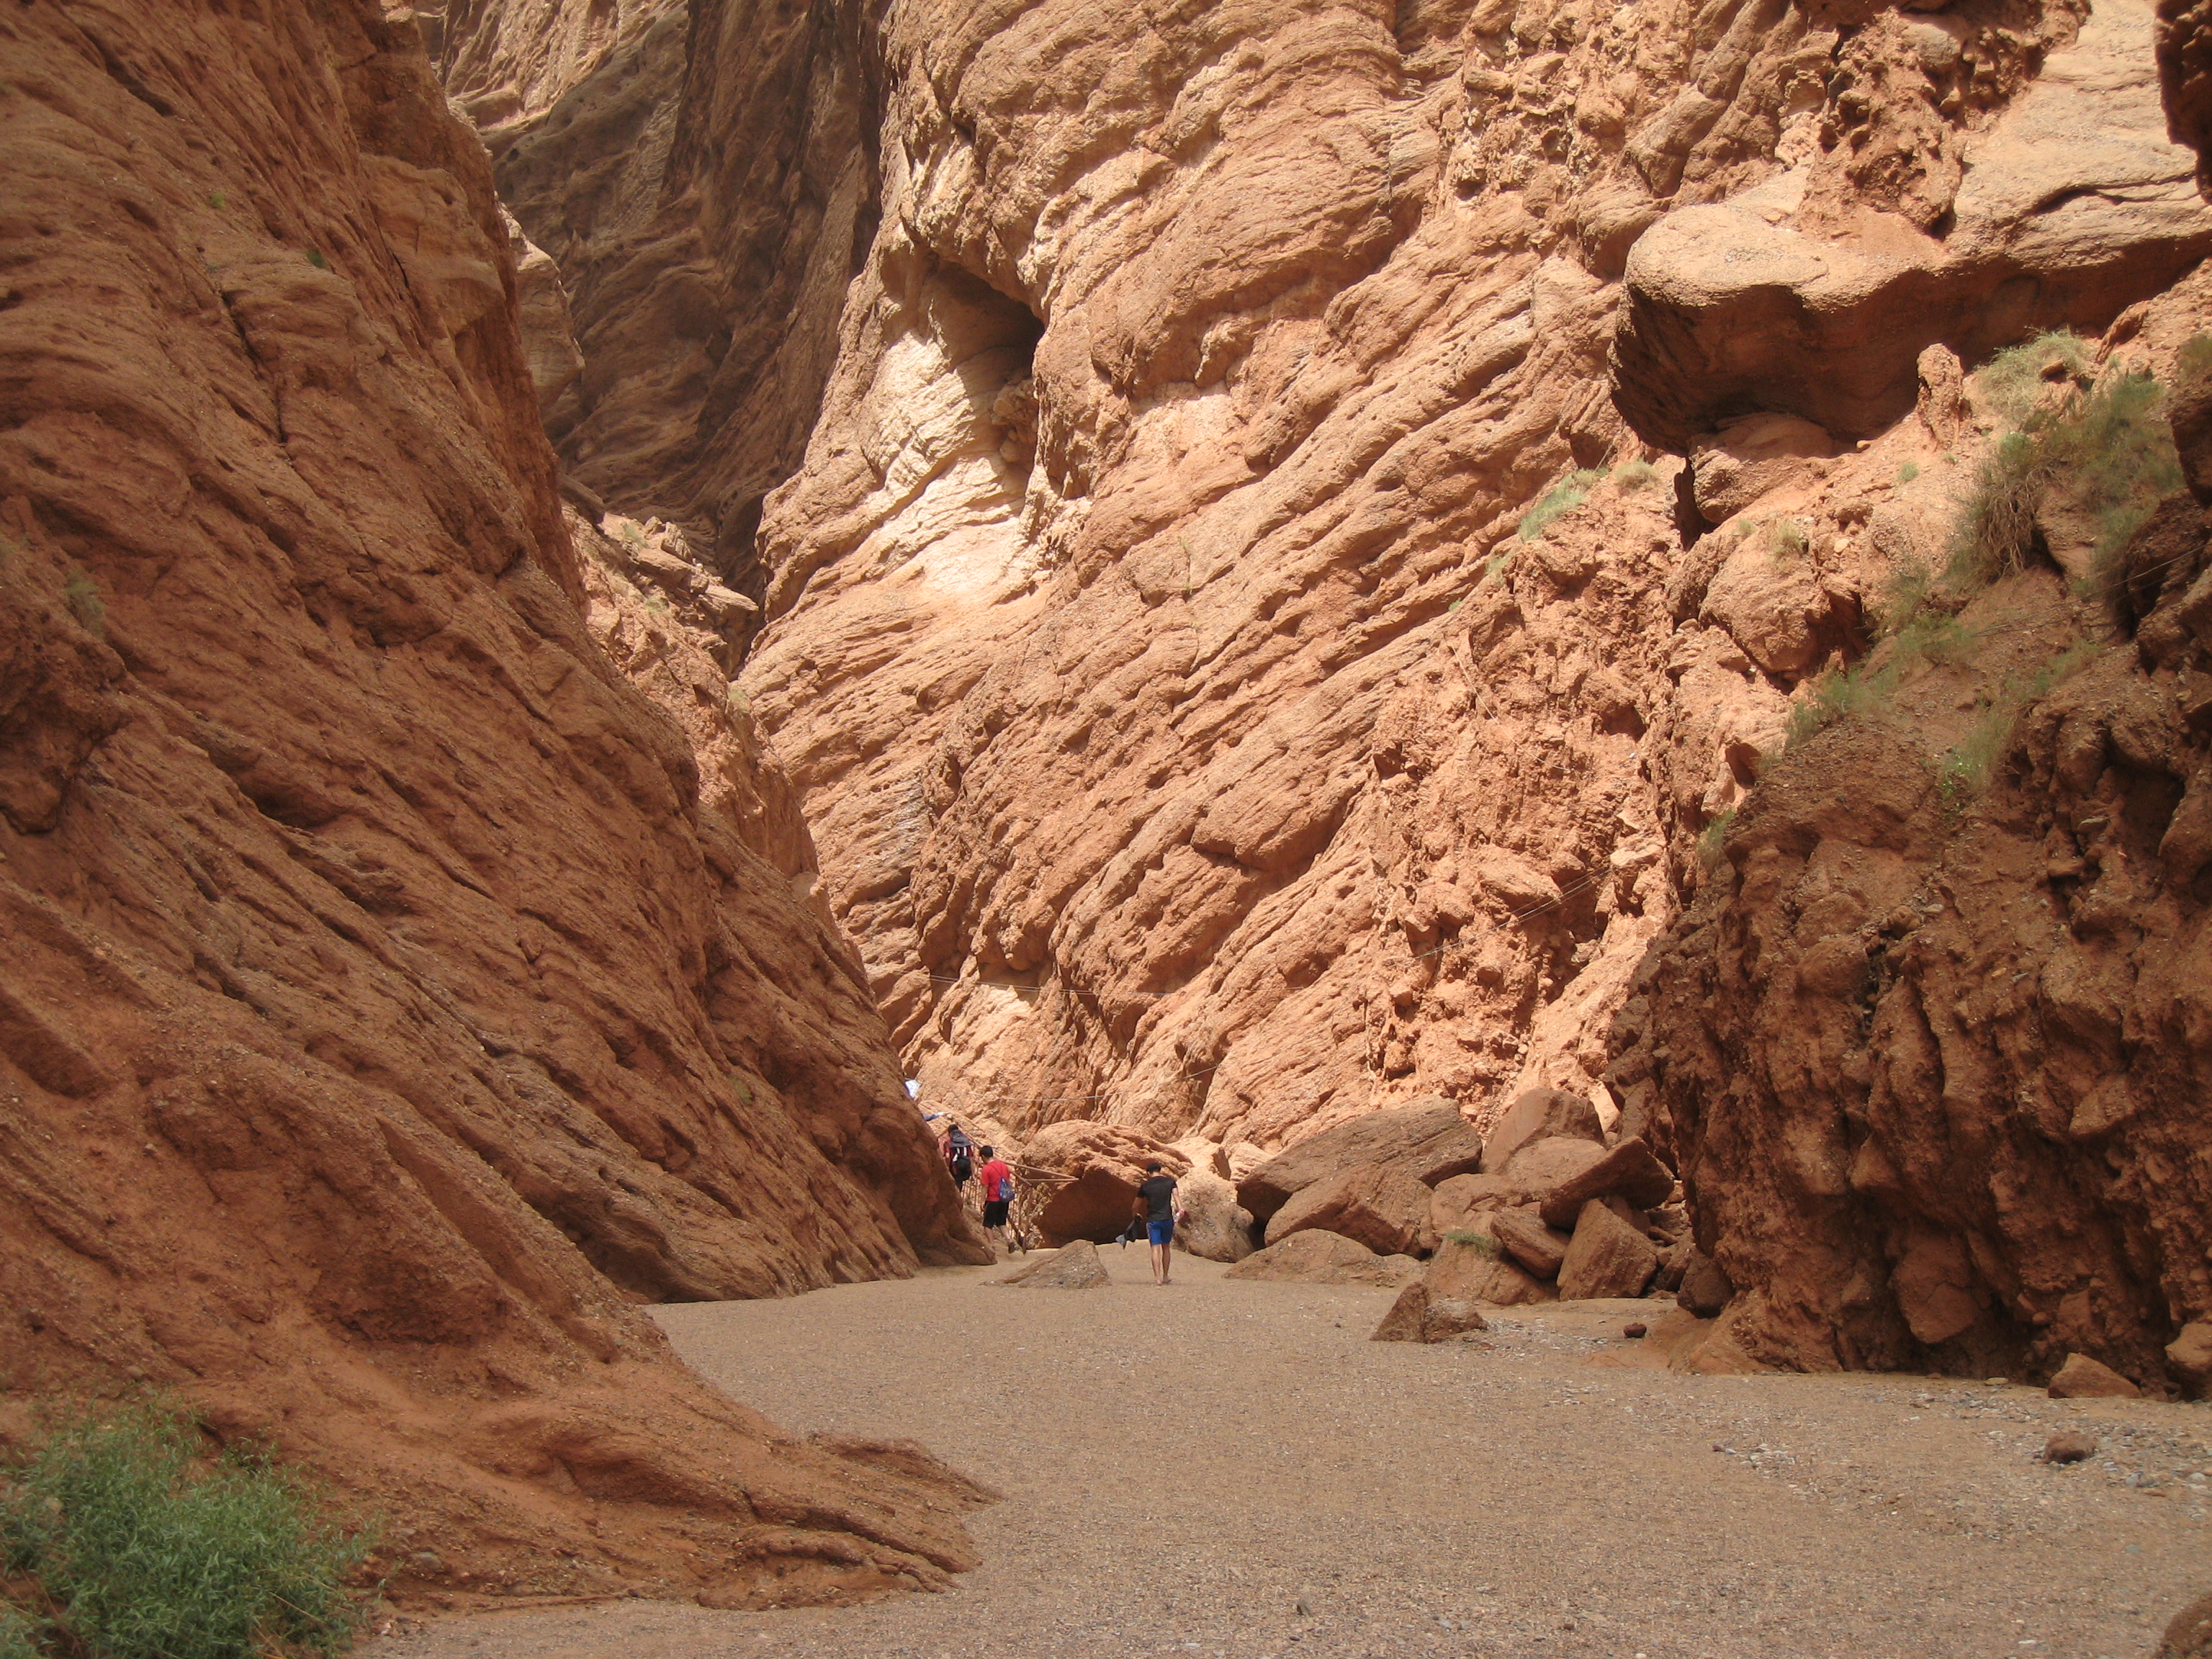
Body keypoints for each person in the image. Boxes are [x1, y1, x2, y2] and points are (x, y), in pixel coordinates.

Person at [1131, 1160, 1184, 1286]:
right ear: (1160, 1171)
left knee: (1155, 1248)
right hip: (1167, 1219)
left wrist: (1135, 1215)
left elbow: (1135, 1206)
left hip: (1153, 1220)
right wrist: (1180, 1209)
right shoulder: (1170, 1182)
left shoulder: (1145, 1186)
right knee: (1166, 1247)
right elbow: (1176, 1196)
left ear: (1148, 1173)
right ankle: (1166, 1276)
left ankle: (1158, 1279)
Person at [977, 1146, 1020, 1252]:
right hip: (1004, 1199)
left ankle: (992, 1247)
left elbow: (985, 1186)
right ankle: (1009, 1240)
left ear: (983, 1156)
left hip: (993, 1199)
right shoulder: (1003, 1165)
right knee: (1001, 1222)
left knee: (987, 1225)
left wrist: (982, 1201)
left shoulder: (987, 1169)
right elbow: (1008, 1178)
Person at [943, 1123, 974, 1187]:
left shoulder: (948, 1143)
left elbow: (947, 1156)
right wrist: (973, 1173)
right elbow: (971, 1158)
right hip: (965, 1169)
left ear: (949, 1133)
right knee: (959, 1185)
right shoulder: (966, 1142)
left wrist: (947, 1168)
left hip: (954, 1169)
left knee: (952, 1186)